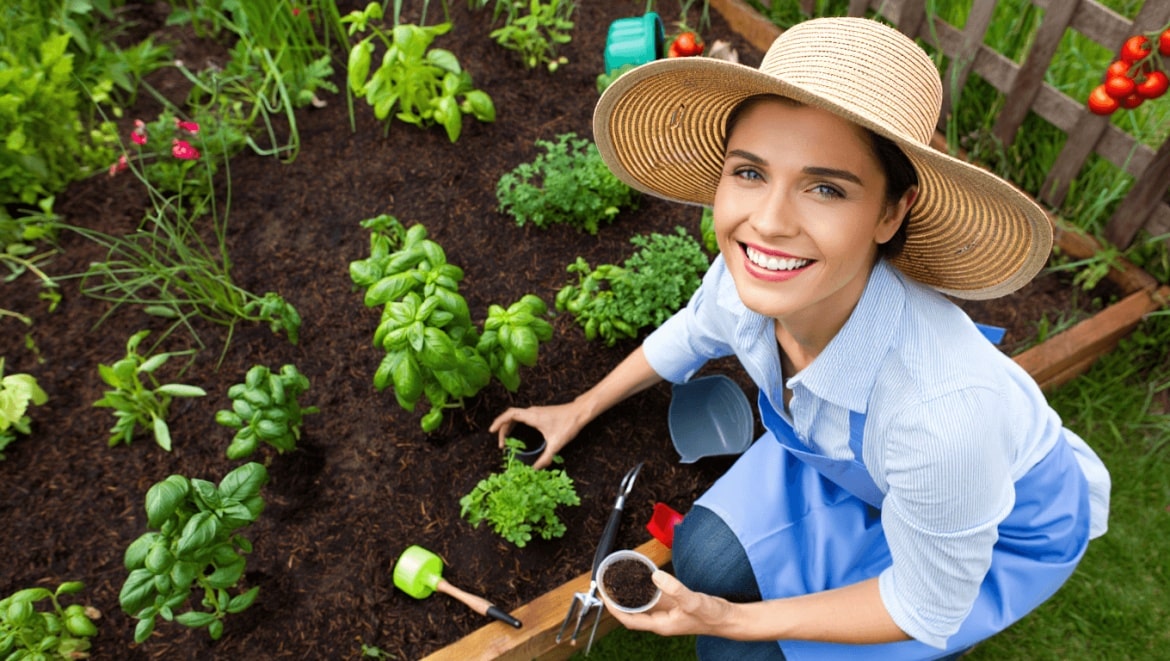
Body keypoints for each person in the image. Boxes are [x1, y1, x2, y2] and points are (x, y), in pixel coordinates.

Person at [490, 16, 1110, 660]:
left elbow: (925, 605)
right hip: (865, 469)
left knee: (743, 652)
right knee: (702, 556)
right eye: (750, 173)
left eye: (825, 187)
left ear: (891, 213)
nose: (768, 222)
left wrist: (728, 620)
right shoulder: (756, 272)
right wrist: (578, 408)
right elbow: (692, 332)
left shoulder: (940, 416)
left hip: (996, 521)